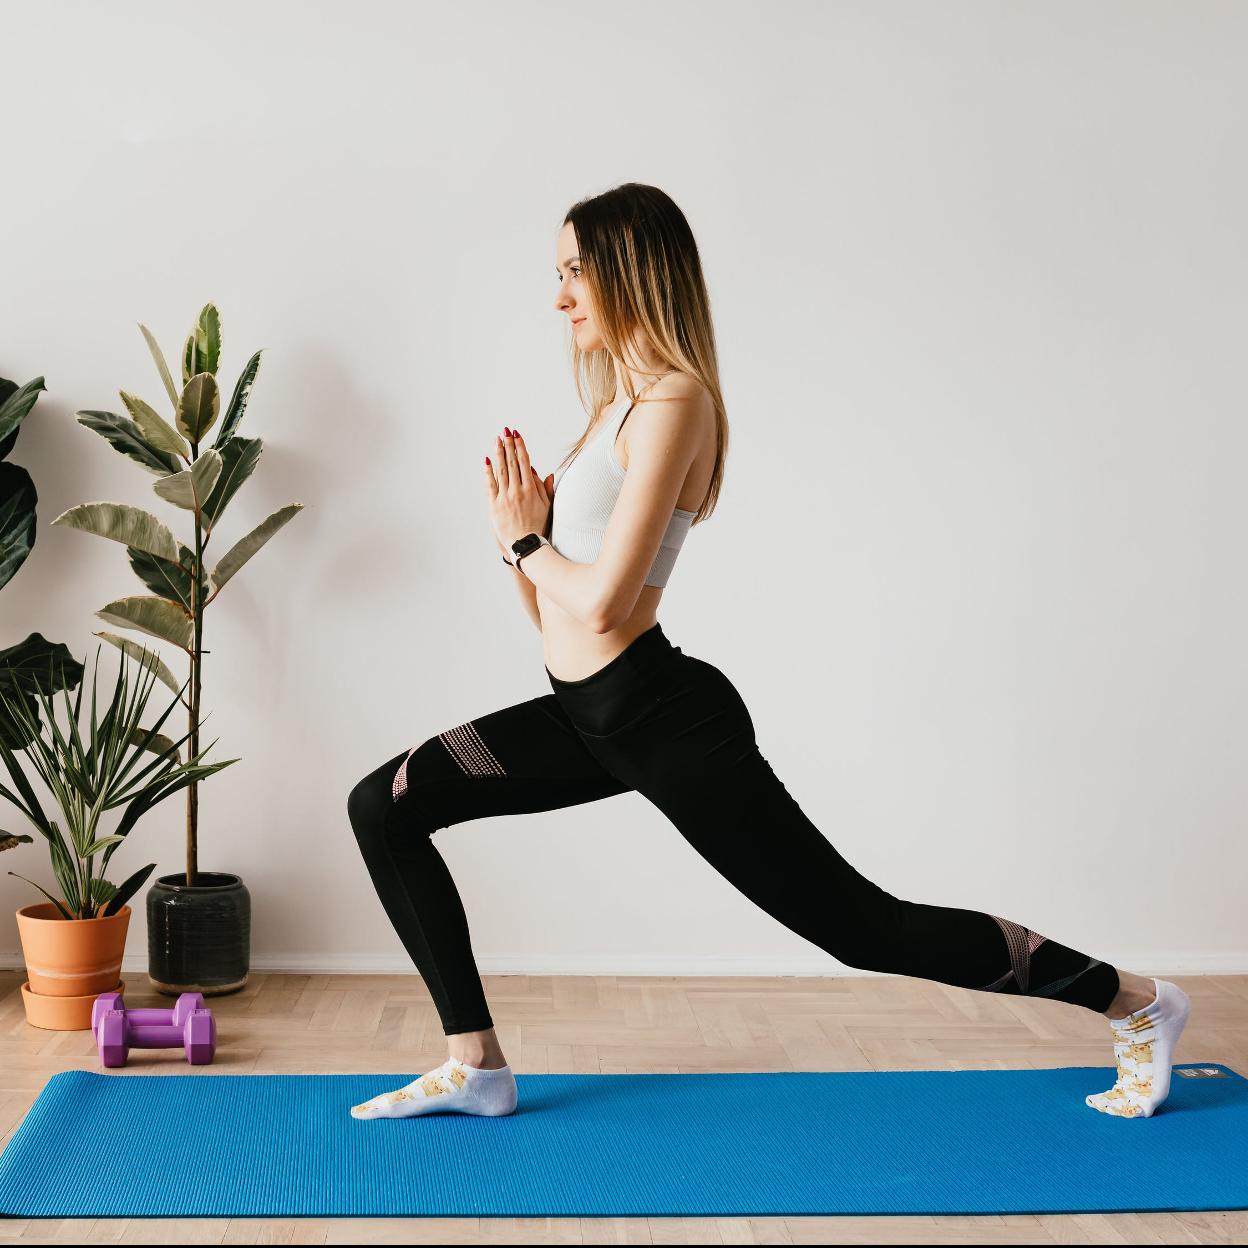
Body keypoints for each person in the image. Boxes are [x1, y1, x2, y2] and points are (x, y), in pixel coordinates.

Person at [347, 182, 1191, 1122]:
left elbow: (610, 601)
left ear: (632, 269)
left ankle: (1137, 1002)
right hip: (587, 717)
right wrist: (521, 545)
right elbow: (558, 617)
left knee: (864, 929)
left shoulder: (675, 402)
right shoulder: (610, 408)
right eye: (558, 274)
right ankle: (477, 1065)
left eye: (576, 272)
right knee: (385, 806)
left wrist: (524, 539)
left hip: (663, 720)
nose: (559, 297)